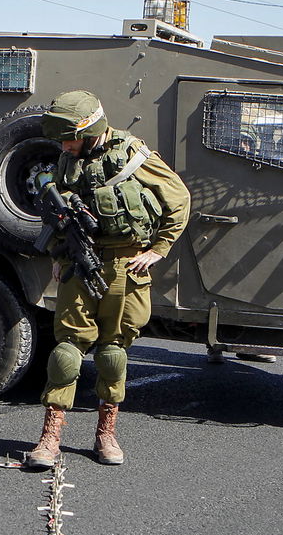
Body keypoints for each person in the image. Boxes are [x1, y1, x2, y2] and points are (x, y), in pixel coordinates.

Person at [27, 89, 189, 469]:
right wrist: (58, 252)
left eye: (69, 137)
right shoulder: (68, 159)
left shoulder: (133, 155)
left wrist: (158, 250)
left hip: (125, 266)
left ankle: (106, 433)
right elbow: (60, 211)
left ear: (88, 128)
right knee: (67, 351)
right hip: (79, 265)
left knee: (113, 352)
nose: (64, 145)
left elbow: (178, 199)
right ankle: (50, 436)